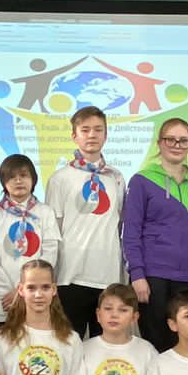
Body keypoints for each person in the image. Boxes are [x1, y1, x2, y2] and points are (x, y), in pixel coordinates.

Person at [123, 116, 188, 350]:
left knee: (186, 346)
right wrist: (137, 274)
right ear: (159, 143)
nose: (176, 145)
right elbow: (131, 231)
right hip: (153, 276)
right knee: (156, 345)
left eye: (183, 140)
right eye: (170, 139)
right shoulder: (141, 180)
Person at [45, 106, 127, 337]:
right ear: (74, 135)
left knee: (106, 346)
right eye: (85, 130)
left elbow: (120, 225)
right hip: (70, 276)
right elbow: (52, 231)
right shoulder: (60, 178)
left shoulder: (116, 177)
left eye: (98, 130)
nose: (92, 135)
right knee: (70, 344)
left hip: (108, 277)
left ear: (106, 135)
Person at [0, 153, 62, 327]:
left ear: (33, 179)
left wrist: (26, 291)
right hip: (5, 302)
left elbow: (50, 252)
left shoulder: (45, 212)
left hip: (36, 298)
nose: (18, 181)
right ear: (3, 182)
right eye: (12, 177)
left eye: (24, 175)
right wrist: (10, 293)